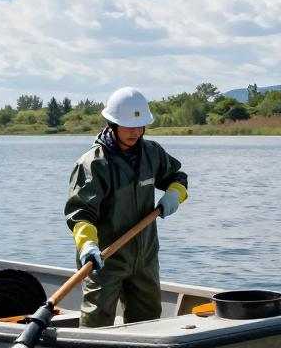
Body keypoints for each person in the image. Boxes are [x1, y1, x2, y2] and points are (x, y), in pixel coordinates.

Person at [65, 87, 188, 327]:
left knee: (149, 321)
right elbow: (81, 214)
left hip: (145, 256)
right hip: (104, 258)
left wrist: (175, 194)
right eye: (129, 126)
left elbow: (177, 177)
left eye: (140, 126)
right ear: (112, 124)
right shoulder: (93, 164)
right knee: (96, 321)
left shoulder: (152, 153)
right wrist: (87, 245)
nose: (135, 132)